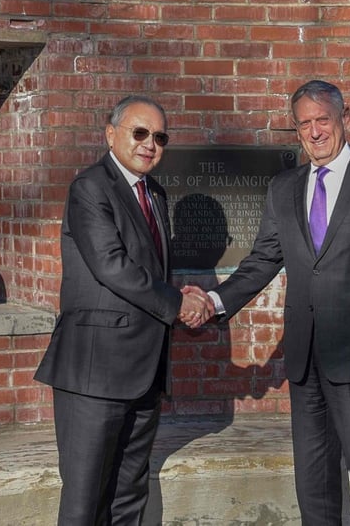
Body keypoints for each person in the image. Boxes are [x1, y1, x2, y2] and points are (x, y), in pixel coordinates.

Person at [204, 80, 350, 525]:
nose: (315, 131)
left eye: (323, 119)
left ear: (345, 119)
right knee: (313, 477)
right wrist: (213, 301)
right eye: (304, 124)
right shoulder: (283, 187)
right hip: (304, 356)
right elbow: (263, 260)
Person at [34, 95, 211, 525]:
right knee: (85, 502)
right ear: (111, 134)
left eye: (160, 137)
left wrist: (183, 298)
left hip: (144, 375)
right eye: (140, 132)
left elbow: (147, 271)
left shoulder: (155, 194)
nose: (150, 144)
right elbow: (111, 265)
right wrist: (177, 303)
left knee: (129, 496)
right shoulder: (90, 188)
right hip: (95, 372)